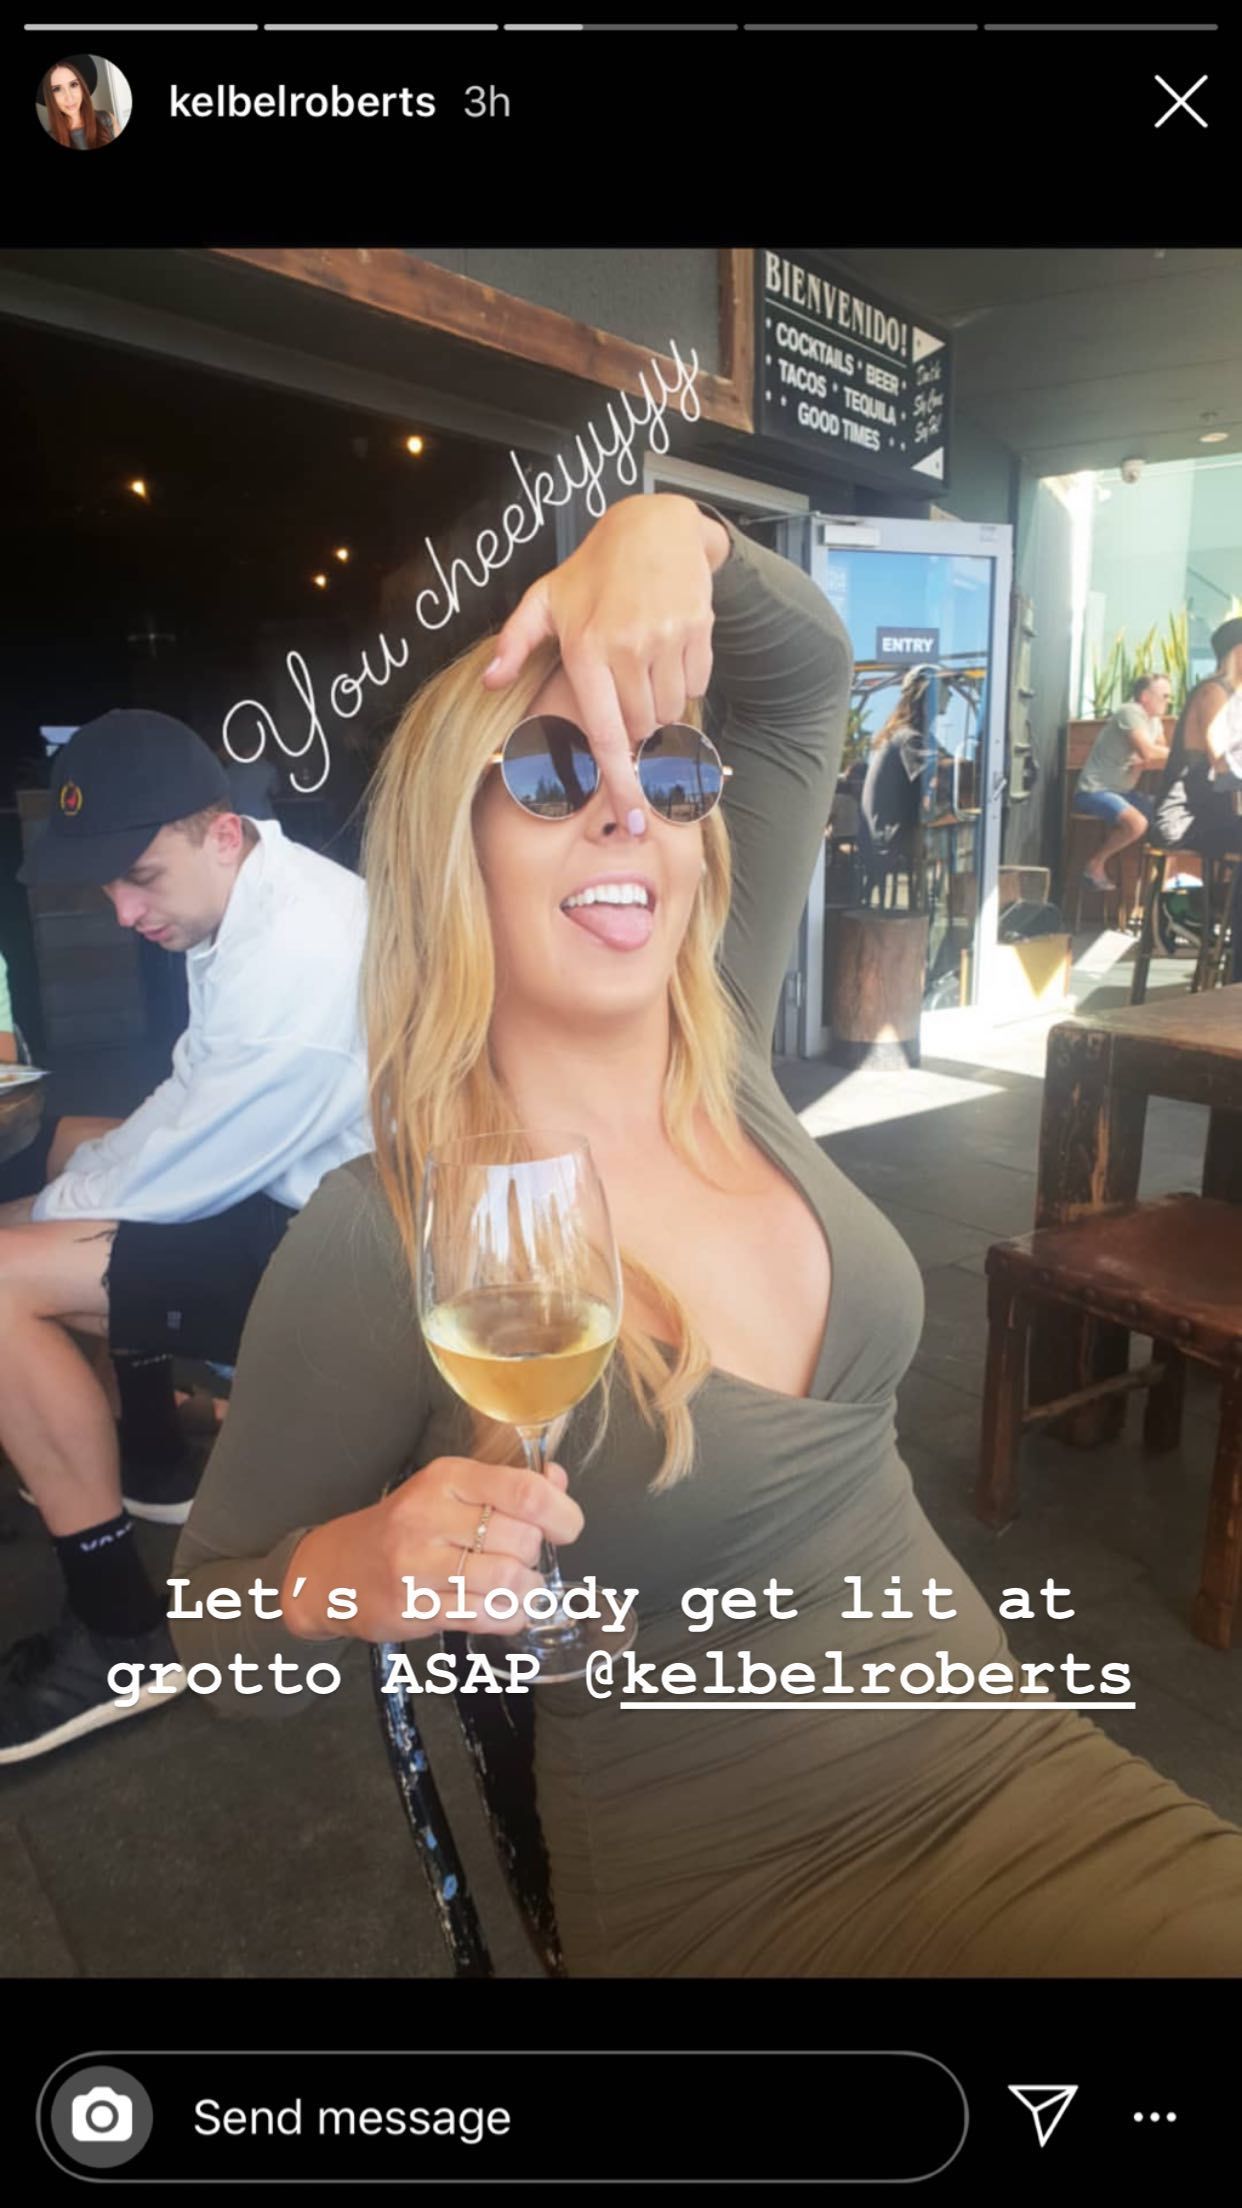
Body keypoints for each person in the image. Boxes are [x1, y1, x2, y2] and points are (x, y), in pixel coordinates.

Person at [171, 495, 1242, 1976]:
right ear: (448, 842)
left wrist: (663, 528)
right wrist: (348, 1566)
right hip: (758, 1885)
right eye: (554, 771)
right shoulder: (384, 1236)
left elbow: (803, 674)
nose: (630, 809)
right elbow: (213, 1633)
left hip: (1020, 1757)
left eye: (667, 770)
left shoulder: (715, 1048)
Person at [0, 709, 371, 1764]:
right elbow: (191, 1094)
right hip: (302, 1193)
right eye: (108, 885)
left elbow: (180, 1173)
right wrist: (68, 1182)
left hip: (347, 1263)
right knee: (77, 1143)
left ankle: (117, 1634)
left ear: (221, 833)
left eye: (141, 878)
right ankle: (155, 1461)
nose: (123, 912)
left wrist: (28, 1225)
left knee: (2, 1277)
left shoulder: (294, 963)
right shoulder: (259, 893)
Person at [1152, 618, 1242, 979]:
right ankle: (1183, 908)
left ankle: (1192, 910)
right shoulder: (1214, 692)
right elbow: (1222, 762)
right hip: (1183, 817)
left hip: (1209, 814)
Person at [1073, 672, 1171, 893]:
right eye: (1164, 696)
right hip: (1094, 790)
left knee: (1168, 814)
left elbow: (1158, 757)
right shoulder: (1130, 712)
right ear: (1145, 697)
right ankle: (1095, 864)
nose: (1168, 701)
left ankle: (1162, 884)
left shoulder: (1155, 722)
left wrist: (1151, 756)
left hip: (1123, 792)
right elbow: (1149, 752)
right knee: (1137, 824)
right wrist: (1158, 755)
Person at [857, 666, 941, 906]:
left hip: (879, 835)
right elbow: (939, 774)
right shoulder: (909, 738)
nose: (951, 696)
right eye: (944, 689)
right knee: (958, 843)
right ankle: (944, 906)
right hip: (890, 839)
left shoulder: (903, 734)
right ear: (926, 698)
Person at [40, 56, 119, 149]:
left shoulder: (107, 119)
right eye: (57, 89)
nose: (69, 98)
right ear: (50, 96)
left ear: (82, 87)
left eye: (73, 84)